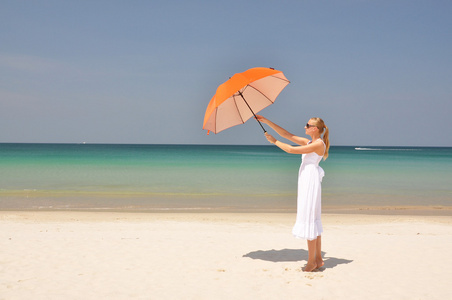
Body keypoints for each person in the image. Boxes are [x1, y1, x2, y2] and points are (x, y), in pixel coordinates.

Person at [255, 115, 330, 272]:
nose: (304, 127)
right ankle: (318, 258)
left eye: (307, 125)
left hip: (310, 182)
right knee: (313, 219)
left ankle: (311, 262)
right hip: (308, 180)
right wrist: (267, 121)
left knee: (310, 219)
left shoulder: (317, 144)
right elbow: (287, 135)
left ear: (314, 128)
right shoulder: (310, 142)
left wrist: (274, 141)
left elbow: (290, 149)